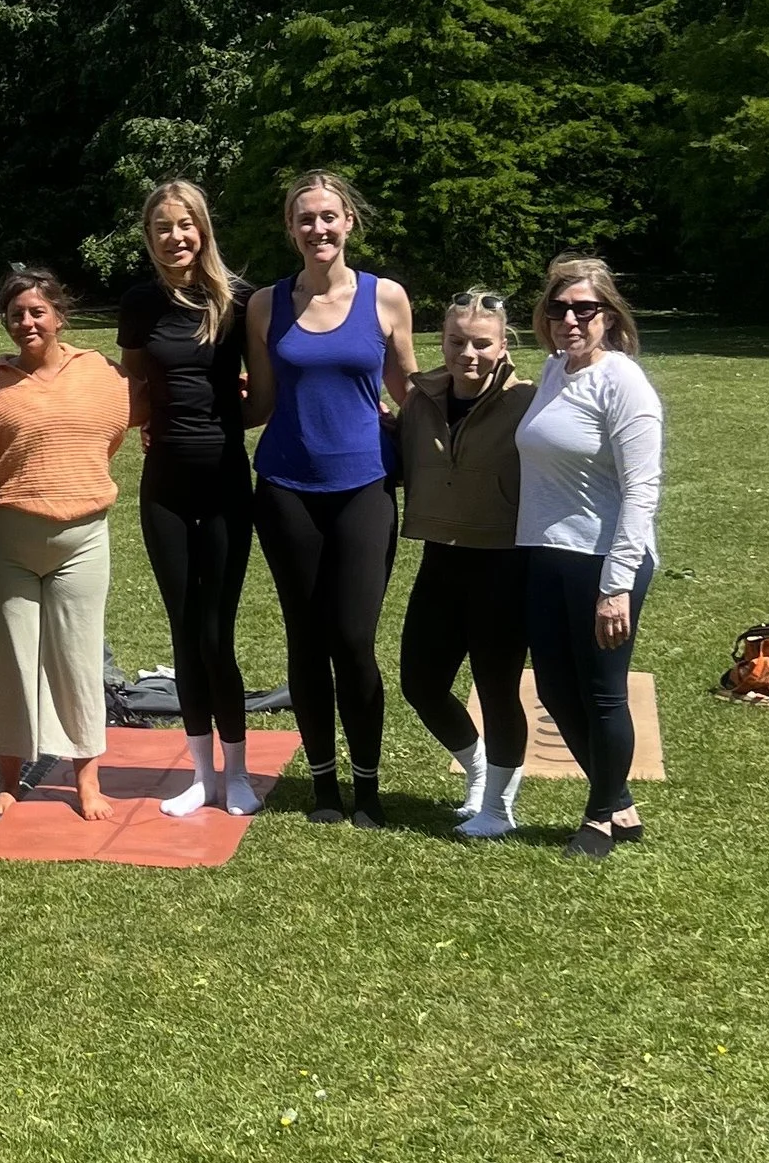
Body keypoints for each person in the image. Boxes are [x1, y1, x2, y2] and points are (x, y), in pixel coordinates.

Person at [247, 169, 414, 825]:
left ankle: (367, 787)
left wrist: (481, 415)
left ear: (349, 222)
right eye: (305, 218)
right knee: (305, 638)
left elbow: (411, 392)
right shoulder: (266, 305)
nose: (318, 227)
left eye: (328, 216)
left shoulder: (386, 298)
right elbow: (259, 399)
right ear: (291, 229)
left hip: (364, 487)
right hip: (286, 487)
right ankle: (322, 787)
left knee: (353, 637)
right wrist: (183, 423)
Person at [0, 267, 131, 816]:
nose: (26, 322)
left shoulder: (102, 373)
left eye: (36, 311)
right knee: (11, 658)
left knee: (79, 659)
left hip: (82, 538)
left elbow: (127, 424)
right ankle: (8, 780)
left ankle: (87, 779)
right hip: (8, 538)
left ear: (59, 315)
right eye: (15, 315)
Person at [116, 179, 259, 819]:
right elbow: (133, 389)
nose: (175, 237)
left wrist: (220, 421)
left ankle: (237, 772)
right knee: (183, 630)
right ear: (149, 239)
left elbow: (267, 395)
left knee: (215, 633)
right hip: (164, 488)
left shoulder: (240, 302)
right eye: (161, 228)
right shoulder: (141, 303)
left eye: (185, 225)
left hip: (227, 481)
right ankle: (200, 775)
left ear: (202, 229)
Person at [517, 255, 664, 863]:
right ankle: (620, 800)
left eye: (585, 309)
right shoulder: (553, 371)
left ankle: (599, 816)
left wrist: (616, 586)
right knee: (554, 687)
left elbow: (641, 491)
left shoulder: (623, 383)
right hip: (544, 556)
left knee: (603, 692)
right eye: (559, 309)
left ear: (609, 315)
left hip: (602, 561)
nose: (571, 320)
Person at [396, 290, 534, 841]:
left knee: (497, 688)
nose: (468, 354)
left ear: (502, 346)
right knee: (420, 682)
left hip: (504, 562)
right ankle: (478, 774)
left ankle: (499, 809)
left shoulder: (528, 401)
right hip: (441, 556)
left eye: (481, 343)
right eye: (457, 342)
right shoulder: (421, 398)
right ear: (442, 342)